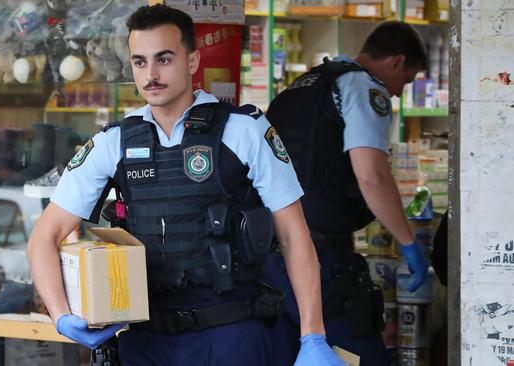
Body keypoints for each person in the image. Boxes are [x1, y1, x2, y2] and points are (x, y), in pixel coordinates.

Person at [27, 4, 345, 366]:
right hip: (146, 343)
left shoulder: (244, 131)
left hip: (230, 336)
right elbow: (45, 236)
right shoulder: (113, 142)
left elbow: (294, 237)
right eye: (140, 62)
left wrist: (313, 336)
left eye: (164, 59)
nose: (151, 74)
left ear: (192, 62)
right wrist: (61, 315)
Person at [263, 21, 431, 366]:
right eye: (407, 80)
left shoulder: (305, 84)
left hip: (270, 257)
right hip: (322, 260)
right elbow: (371, 176)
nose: (400, 92)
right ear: (396, 62)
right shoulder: (363, 87)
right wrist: (409, 242)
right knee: (357, 354)